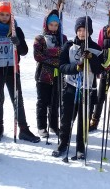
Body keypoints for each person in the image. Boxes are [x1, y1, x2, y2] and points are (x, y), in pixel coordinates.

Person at [0, 1, 40, 143]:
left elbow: (24, 51)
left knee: (17, 99)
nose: (4, 17)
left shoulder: (16, 29)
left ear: (11, 16)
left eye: (7, 15)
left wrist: (18, 43)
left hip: (12, 69)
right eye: (2, 14)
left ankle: (23, 129)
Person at [52, 16, 103, 158]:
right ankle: (63, 143)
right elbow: (61, 66)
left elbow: (100, 70)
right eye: (79, 30)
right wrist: (76, 67)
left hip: (88, 89)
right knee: (67, 117)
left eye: (85, 30)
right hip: (71, 87)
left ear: (90, 31)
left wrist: (92, 59)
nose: (81, 33)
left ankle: (81, 146)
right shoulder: (69, 46)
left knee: (84, 119)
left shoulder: (96, 48)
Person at [33, 10, 67, 138]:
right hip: (43, 75)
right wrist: (55, 57)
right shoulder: (39, 38)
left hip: (58, 75)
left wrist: (50, 53)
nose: (53, 27)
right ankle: (41, 126)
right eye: (51, 24)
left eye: (56, 25)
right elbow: (38, 56)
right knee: (42, 101)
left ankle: (53, 124)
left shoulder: (62, 38)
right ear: (46, 24)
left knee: (55, 101)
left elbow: (64, 56)